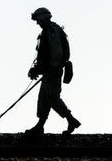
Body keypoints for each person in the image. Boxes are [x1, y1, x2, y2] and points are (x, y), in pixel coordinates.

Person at [25, 7, 81, 137]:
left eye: (38, 20)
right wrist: (37, 68)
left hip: (53, 72)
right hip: (49, 71)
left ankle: (71, 120)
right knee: (44, 98)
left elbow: (56, 54)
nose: (37, 23)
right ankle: (40, 125)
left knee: (52, 98)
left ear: (44, 19)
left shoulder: (52, 32)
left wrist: (42, 69)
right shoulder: (49, 31)